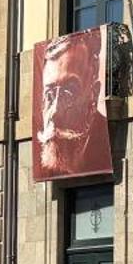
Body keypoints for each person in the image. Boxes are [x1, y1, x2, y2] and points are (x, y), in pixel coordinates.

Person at [35, 29, 111, 180]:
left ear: (93, 95)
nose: (56, 112)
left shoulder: (104, 144)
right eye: (49, 95)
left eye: (69, 92)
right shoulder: (35, 153)